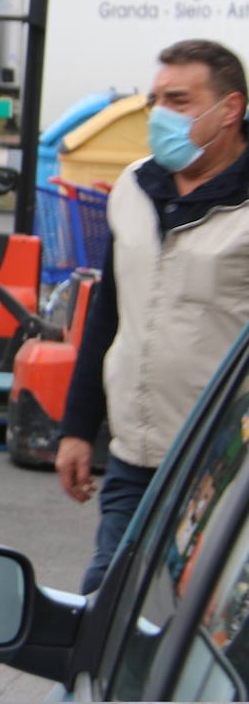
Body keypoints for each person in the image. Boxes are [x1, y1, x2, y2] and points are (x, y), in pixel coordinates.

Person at [57, 38, 249, 594]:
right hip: (133, 459)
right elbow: (108, 315)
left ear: (230, 109)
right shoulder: (134, 189)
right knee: (106, 603)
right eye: (155, 99)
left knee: (204, 625)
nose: (161, 113)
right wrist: (76, 429)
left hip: (224, 468)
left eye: (180, 100)